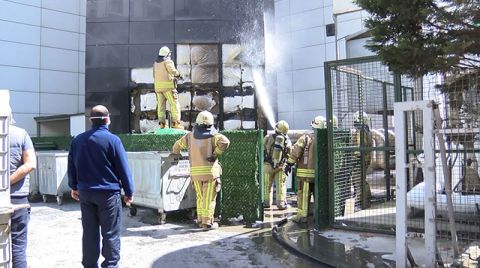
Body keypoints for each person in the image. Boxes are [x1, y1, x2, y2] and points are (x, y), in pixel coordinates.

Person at [68, 105, 134, 268]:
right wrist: (129, 191)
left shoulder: (78, 140)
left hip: (85, 193)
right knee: (110, 233)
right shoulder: (113, 140)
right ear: (106, 119)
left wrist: (74, 186)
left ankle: (90, 265)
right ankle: (110, 265)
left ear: (91, 120)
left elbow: (72, 165)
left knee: (89, 233)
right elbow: (123, 168)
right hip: (108, 194)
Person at [172, 111, 230, 230]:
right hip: (210, 173)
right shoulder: (214, 136)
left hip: (195, 174)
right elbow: (225, 142)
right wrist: (215, 154)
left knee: (200, 197)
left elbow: (176, 146)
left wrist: (176, 155)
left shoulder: (189, 136)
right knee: (208, 199)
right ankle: (207, 223)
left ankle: (200, 220)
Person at [8, 106, 36, 268]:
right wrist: (6, 183)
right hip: (18, 199)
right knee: (18, 247)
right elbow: (31, 164)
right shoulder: (20, 134)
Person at [284, 116, 326, 223]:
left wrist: (289, 163)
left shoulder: (306, 138)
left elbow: (296, 152)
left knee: (303, 195)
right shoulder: (326, 139)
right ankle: (319, 217)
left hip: (305, 175)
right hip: (320, 175)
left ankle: (302, 216)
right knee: (319, 196)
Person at [153, 46, 183, 129]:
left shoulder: (155, 63)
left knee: (161, 106)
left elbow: (154, 75)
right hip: (168, 88)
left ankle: (162, 124)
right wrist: (178, 74)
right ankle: (176, 123)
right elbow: (172, 71)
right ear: (167, 54)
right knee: (174, 104)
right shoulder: (168, 62)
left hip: (158, 88)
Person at [263, 120, 291, 210]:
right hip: (280, 166)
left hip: (267, 166)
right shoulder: (287, 140)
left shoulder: (267, 137)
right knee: (281, 185)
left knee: (267, 185)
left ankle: (266, 203)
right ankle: (281, 204)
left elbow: (262, 148)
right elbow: (290, 153)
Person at [351, 111, 372, 209]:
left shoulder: (361, 131)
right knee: (362, 180)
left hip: (360, 160)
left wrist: (353, 156)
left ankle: (360, 203)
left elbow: (360, 147)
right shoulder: (367, 130)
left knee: (358, 181)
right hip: (365, 159)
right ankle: (366, 200)